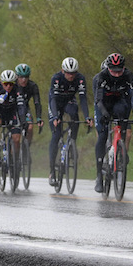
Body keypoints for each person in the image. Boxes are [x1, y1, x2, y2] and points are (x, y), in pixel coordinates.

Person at [91, 52, 133, 192]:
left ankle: (120, 149)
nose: (116, 74)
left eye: (119, 71)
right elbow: (98, 99)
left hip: (119, 102)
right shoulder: (101, 77)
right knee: (103, 135)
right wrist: (104, 114)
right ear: (108, 68)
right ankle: (99, 175)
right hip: (103, 105)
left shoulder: (128, 75)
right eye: (113, 71)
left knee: (123, 114)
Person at [47, 57, 88, 187]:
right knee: (56, 134)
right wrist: (54, 117)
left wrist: (87, 117)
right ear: (63, 70)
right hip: (55, 104)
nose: (71, 76)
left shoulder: (80, 79)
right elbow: (52, 99)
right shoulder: (56, 78)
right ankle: (52, 171)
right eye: (68, 73)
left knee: (74, 115)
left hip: (69, 101)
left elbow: (83, 99)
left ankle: (72, 143)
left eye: (73, 73)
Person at [0, 69, 29, 171]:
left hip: (11, 113)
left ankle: (15, 159)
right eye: (6, 84)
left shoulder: (18, 89)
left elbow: (21, 106)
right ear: (1, 83)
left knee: (17, 139)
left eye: (11, 84)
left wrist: (23, 120)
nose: (8, 87)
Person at [14, 63, 43, 150]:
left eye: (26, 77)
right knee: (15, 135)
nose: (24, 80)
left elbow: (37, 103)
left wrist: (38, 117)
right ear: (16, 77)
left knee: (30, 127)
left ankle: (26, 149)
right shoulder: (12, 86)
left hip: (25, 109)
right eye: (21, 77)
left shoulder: (32, 86)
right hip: (13, 109)